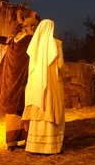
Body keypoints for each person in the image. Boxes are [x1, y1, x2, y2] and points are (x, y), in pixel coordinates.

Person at [0, 12, 39, 151]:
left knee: (13, 111)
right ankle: (28, 140)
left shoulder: (14, 39)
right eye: (34, 26)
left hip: (10, 82)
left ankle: (11, 143)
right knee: (26, 111)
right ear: (31, 27)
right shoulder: (29, 41)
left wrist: (21, 21)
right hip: (23, 82)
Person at [22, 19, 66, 155]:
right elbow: (61, 66)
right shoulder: (56, 44)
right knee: (52, 109)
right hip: (52, 83)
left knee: (39, 110)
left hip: (37, 84)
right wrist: (64, 76)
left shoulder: (35, 45)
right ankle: (51, 147)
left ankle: (35, 146)